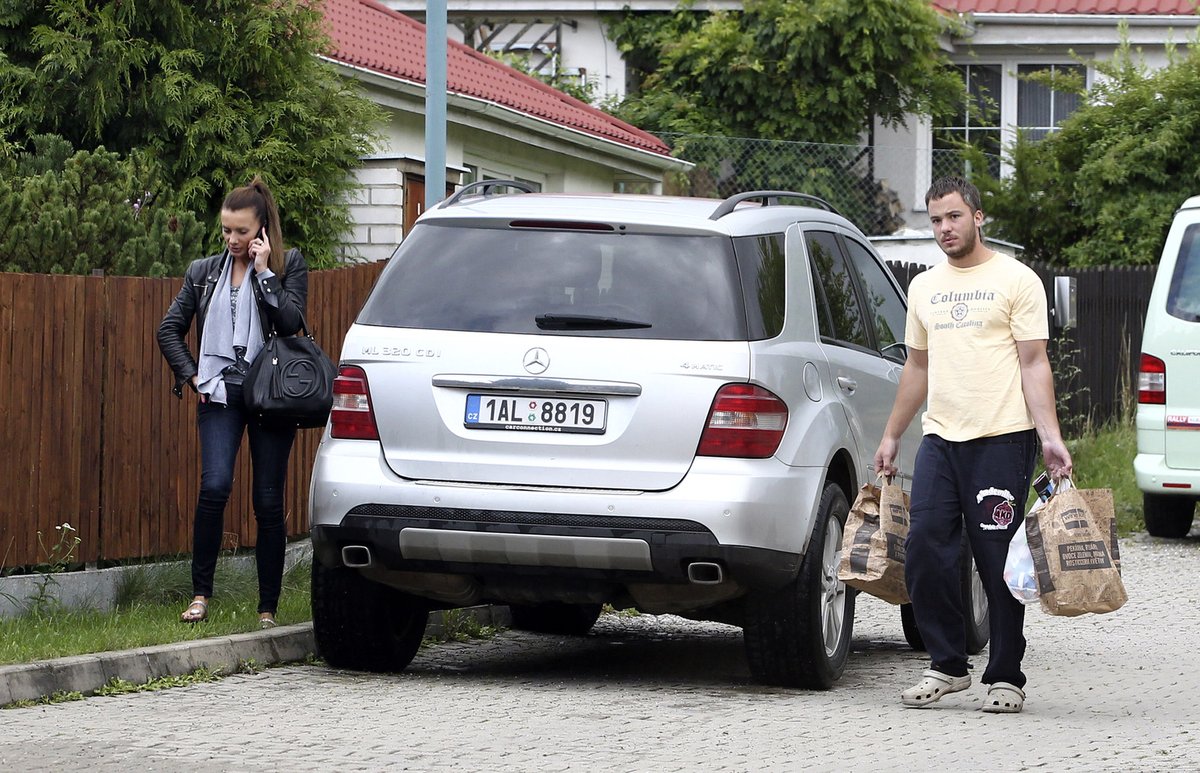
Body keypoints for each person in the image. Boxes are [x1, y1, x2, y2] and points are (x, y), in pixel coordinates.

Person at [873, 176, 1073, 714]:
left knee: (995, 558)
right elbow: (917, 367)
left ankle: (1006, 674)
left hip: (1002, 439)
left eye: (954, 217)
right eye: (936, 220)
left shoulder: (1017, 280)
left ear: (978, 217)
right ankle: (946, 665)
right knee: (924, 550)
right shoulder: (924, 288)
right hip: (941, 437)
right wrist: (893, 434)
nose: (944, 229)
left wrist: (1050, 438)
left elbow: (1034, 364)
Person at [157, 176, 309, 628]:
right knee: (215, 486)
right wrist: (192, 375)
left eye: (241, 232)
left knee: (267, 500)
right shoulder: (203, 272)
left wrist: (264, 273)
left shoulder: (287, 265)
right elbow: (169, 329)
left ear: (262, 228)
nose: (232, 240)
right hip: (219, 392)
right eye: (226, 231)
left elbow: (291, 322)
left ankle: (267, 609)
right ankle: (200, 596)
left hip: (270, 395)